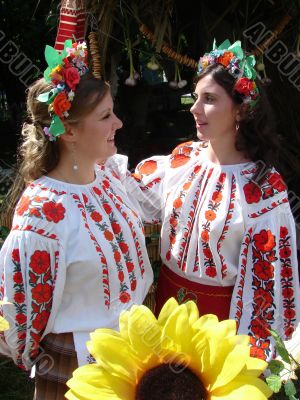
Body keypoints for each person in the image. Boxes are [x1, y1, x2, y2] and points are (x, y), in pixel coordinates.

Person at [109, 39, 300, 361]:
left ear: (241, 108)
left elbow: (269, 283)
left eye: (209, 99)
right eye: (195, 98)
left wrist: (251, 355)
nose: (194, 109)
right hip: (167, 312)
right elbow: (133, 197)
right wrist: (95, 151)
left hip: (221, 327)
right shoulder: (183, 161)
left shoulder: (264, 188)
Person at [0, 40, 153, 398]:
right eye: (104, 117)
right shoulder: (43, 210)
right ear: (69, 131)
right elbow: (22, 308)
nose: (118, 122)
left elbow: (161, 202)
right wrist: (30, 353)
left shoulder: (111, 177)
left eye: (113, 112)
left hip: (134, 353)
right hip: (75, 365)